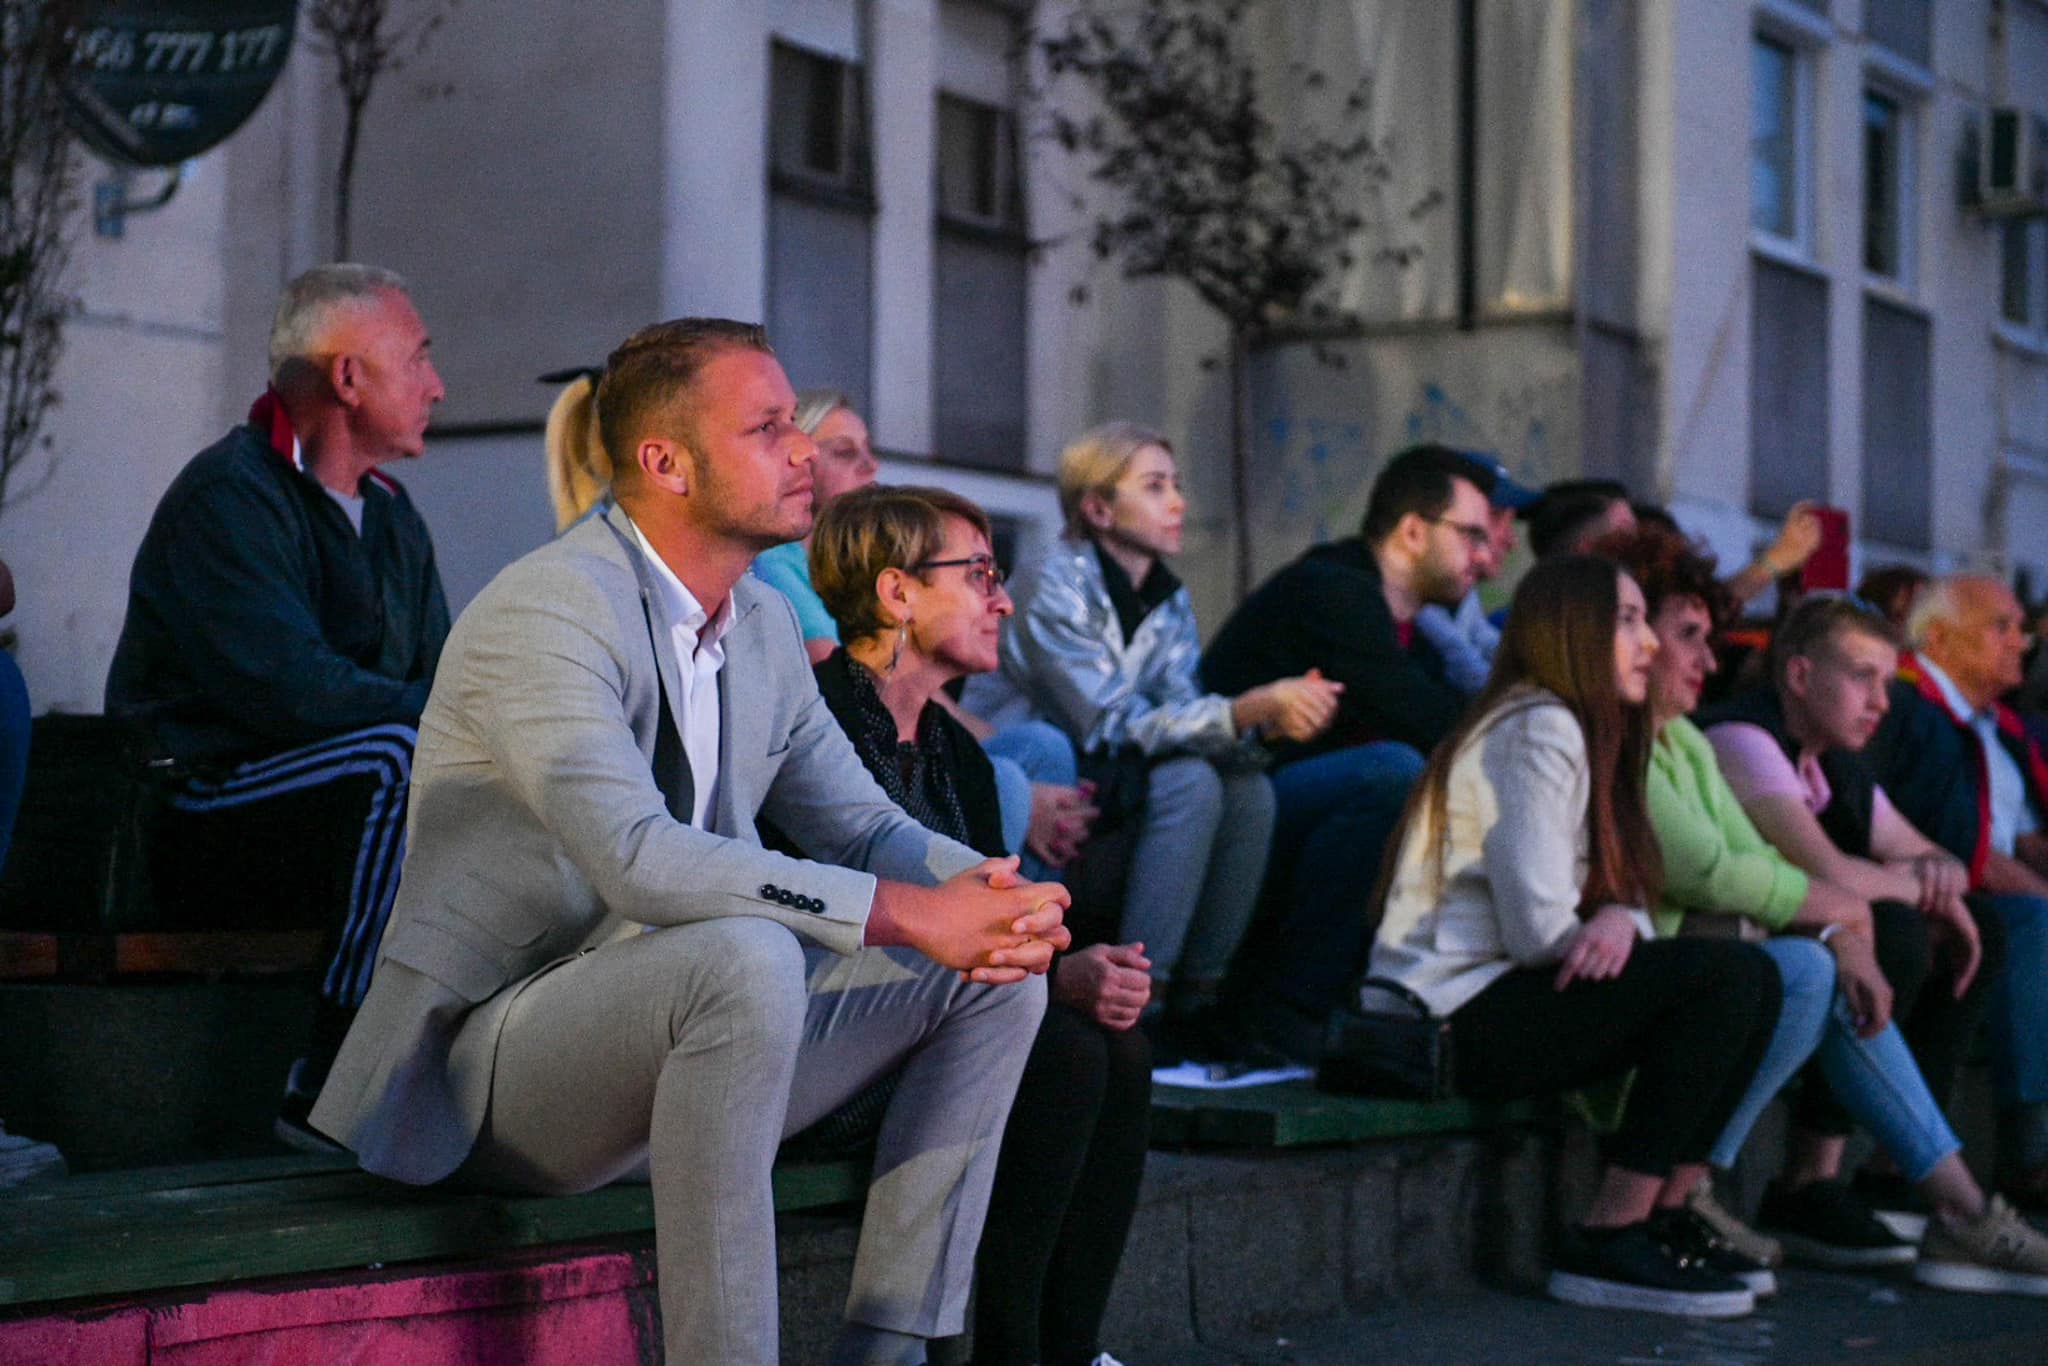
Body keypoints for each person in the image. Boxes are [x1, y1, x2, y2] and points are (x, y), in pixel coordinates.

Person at [309, 319, 1070, 1366]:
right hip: (491, 1075)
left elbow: (861, 821)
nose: (804, 450)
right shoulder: (549, 608)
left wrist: (989, 891)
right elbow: (637, 854)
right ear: (664, 462)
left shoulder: (754, 621)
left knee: (995, 978)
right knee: (744, 953)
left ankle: (886, 1353)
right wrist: (903, 913)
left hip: (701, 1049)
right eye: (767, 429)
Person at [1605, 530, 2047, 1293]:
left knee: (1943, 931)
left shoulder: (1810, 754)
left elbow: (1920, 854)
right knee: (1850, 951)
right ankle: (1870, 1194)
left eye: (1889, 681)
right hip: (1656, 968)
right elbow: (1796, 873)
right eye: (1865, 679)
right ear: (1800, 675)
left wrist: (1912, 892)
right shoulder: (1739, 738)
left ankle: (1922, 1199)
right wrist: (1876, 908)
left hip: (1710, 959)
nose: (1882, 702)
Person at [1368, 554, 1782, 1318]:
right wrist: (1614, 924)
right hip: (1449, 1016)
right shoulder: (1539, 727)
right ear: (1574, 629)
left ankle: (1661, 1214)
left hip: (1494, 999)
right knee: (1728, 979)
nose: (1649, 644)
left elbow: (1603, 907)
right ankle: (1610, 1234)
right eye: (1627, 621)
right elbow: (1538, 931)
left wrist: (1620, 920)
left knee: (1754, 976)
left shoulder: (1573, 728)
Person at [105, 263, 451, 1148]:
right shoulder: (230, 496)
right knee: (400, 757)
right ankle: (332, 1071)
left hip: (316, 805)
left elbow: (444, 682)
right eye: (416, 360)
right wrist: (452, 721)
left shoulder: (395, 517)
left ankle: (476, 1064)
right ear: (347, 378)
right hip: (196, 807)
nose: (437, 386)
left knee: (479, 766)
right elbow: (290, 691)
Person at [806, 483, 1149, 1366]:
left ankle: (1069, 1349)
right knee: (1066, 1052)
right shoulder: (819, 720)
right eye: (981, 574)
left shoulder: (960, 752)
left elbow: (987, 913)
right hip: (827, 1041)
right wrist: (1046, 968)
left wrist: (1071, 960)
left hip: (947, 1022)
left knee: (1117, 1044)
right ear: (897, 593)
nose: (1002, 599)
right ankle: (1010, 1354)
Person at [976, 422, 1334, 1066]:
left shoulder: (1165, 597)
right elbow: (1106, 721)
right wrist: (1242, 710)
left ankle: (1201, 1000)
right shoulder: (1050, 579)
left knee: (1248, 788)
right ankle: (1147, 995)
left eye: (1176, 485)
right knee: (1188, 781)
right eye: (1155, 486)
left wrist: (1258, 727)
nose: (1178, 502)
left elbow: (1182, 711)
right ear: (1098, 508)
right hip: (1048, 771)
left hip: (1117, 774)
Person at [1202, 444, 1494, 1050]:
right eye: (1470, 536)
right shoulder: (1336, 590)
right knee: (1392, 773)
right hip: (1231, 805)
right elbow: (1431, 721)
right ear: (1413, 531)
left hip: (1289, 807)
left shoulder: (1417, 627)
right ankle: (1290, 1009)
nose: (1486, 560)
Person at [1865, 574, 2048, 1208]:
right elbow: (1958, 846)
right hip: (1916, 889)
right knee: (2022, 923)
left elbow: (2024, 842)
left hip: (1975, 890)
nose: (2021, 641)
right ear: (1938, 638)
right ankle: (2030, 1152)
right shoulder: (1905, 705)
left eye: (2021, 628)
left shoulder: (1999, 728)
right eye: (2002, 627)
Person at [1413, 450, 1540, 695]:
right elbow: (1469, 669)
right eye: (1496, 517)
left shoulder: (1464, 595)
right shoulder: (1401, 599)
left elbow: (1491, 648)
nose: (1511, 540)